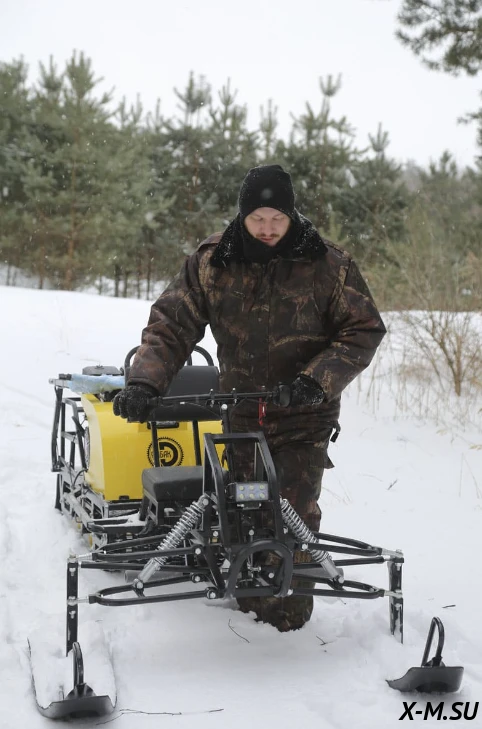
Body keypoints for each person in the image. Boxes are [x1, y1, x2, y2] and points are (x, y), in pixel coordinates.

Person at [113, 164, 386, 632]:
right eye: (258, 218)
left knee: (291, 513)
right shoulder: (212, 261)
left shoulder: (329, 264)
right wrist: (144, 383)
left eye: (277, 218)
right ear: (242, 216)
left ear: (291, 215)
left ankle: (287, 619)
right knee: (244, 512)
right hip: (241, 413)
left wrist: (315, 380)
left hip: (304, 415)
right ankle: (249, 617)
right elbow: (170, 326)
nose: (267, 228)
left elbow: (363, 330)